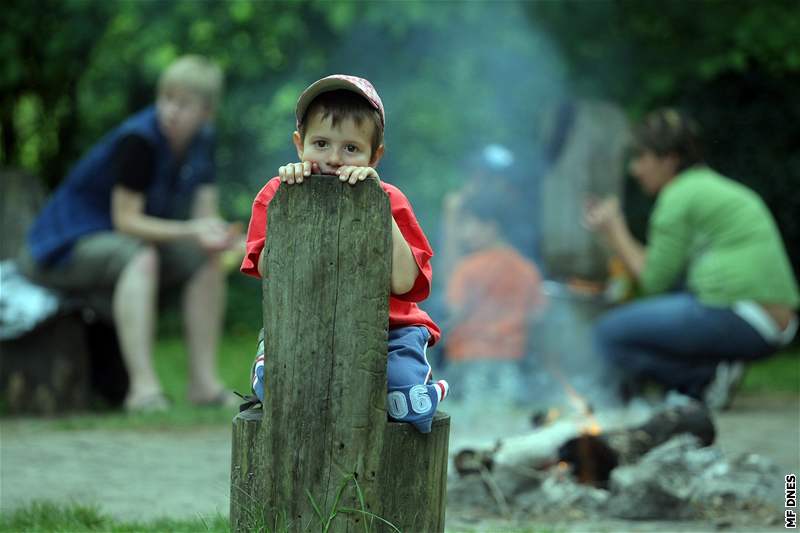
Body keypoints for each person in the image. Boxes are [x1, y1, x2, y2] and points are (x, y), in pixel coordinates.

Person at [19, 55, 240, 412]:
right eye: (166, 99)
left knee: (206, 259)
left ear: (207, 113)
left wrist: (226, 238)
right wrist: (193, 229)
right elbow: (127, 221)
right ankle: (143, 390)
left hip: (110, 246)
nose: (170, 110)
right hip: (56, 250)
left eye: (183, 104)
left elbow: (205, 216)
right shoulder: (138, 140)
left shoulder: (204, 140)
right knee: (141, 255)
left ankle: (203, 385)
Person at [240, 75, 448, 433]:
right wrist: (291, 200)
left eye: (351, 148)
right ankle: (269, 369)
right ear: (299, 144)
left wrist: (378, 202)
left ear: (375, 155)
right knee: (284, 394)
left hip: (389, 330)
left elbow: (402, 281)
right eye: (320, 143)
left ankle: (420, 389)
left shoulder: (389, 199)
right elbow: (269, 271)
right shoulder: (278, 193)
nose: (333, 159)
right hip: (304, 326)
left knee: (406, 404)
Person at [584, 108, 799, 408]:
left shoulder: (678, 196)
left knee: (607, 334)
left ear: (669, 160)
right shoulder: (706, 187)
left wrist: (615, 227)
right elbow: (663, 270)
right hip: (770, 317)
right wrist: (611, 235)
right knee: (665, 301)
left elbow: (653, 280)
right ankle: (707, 374)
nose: (635, 169)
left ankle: (700, 380)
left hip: (743, 314)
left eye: (642, 157)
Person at [443, 187, 546, 404]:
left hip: (468, 365)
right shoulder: (527, 268)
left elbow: (454, 311)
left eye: (468, 224)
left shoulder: (468, 268)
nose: (463, 233)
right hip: (512, 367)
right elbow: (537, 315)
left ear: (491, 227)